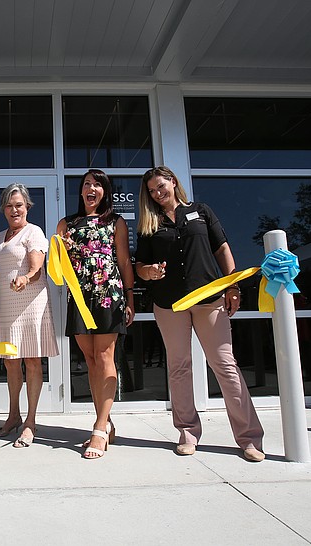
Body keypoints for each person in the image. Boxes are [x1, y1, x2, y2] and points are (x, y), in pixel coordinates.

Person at [135, 166, 265, 462]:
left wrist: (233, 287)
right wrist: (150, 272)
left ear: (173, 182)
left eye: (161, 186)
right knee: (179, 368)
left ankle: (249, 438)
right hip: (169, 304)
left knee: (224, 365)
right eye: (152, 191)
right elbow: (140, 266)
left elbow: (222, 249)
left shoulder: (201, 211)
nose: (157, 194)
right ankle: (187, 433)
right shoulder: (149, 225)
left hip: (209, 299)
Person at [56, 169, 135, 459]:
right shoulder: (66, 223)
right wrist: (60, 251)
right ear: (80, 191)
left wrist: (129, 298)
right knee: (90, 360)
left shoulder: (116, 222)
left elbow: (125, 261)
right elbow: (58, 265)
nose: (92, 188)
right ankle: (105, 418)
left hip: (107, 294)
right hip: (79, 296)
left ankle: (99, 428)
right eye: (87, 184)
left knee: (105, 357)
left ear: (105, 192)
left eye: (98, 185)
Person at [0, 183, 59, 448]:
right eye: (9, 205)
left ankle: (31, 422)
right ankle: (13, 415)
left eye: (19, 204)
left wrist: (26, 278)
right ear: (3, 209)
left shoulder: (33, 232)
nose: (14, 209)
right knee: (10, 363)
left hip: (31, 304)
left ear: (27, 206)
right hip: (7, 308)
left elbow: (37, 266)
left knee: (32, 362)